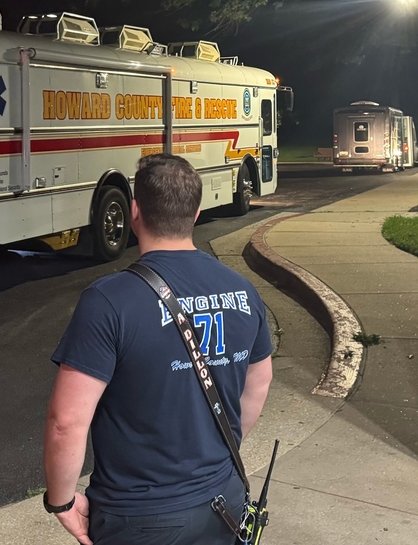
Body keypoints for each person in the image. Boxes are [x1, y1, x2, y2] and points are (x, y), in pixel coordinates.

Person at [42, 153, 273, 545]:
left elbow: (66, 421)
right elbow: (260, 381)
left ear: (134, 211)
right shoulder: (243, 290)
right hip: (224, 500)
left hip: (140, 517)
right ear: (196, 212)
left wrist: (61, 502)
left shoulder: (109, 300)